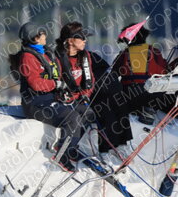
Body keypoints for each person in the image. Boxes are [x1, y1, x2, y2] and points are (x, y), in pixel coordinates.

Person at [13, 22, 89, 171]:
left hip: (50, 99)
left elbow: (55, 74)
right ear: (35, 37)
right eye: (42, 33)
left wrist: (62, 88)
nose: (45, 36)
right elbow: (36, 84)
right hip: (35, 104)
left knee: (86, 112)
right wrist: (55, 84)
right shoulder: (27, 57)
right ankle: (61, 154)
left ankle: (71, 148)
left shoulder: (45, 53)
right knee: (72, 117)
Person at [55, 22, 132, 152]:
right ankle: (94, 149)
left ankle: (118, 146)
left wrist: (86, 94)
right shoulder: (57, 58)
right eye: (82, 37)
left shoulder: (87, 56)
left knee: (114, 102)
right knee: (98, 110)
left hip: (86, 96)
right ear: (70, 40)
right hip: (69, 100)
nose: (85, 40)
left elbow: (96, 77)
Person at [112, 21, 168, 120]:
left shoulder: (123, 54)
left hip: (129, 95)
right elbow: (165, 71)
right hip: (152, 95)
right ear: (144, 37)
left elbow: (113, 76)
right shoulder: (154, 52)